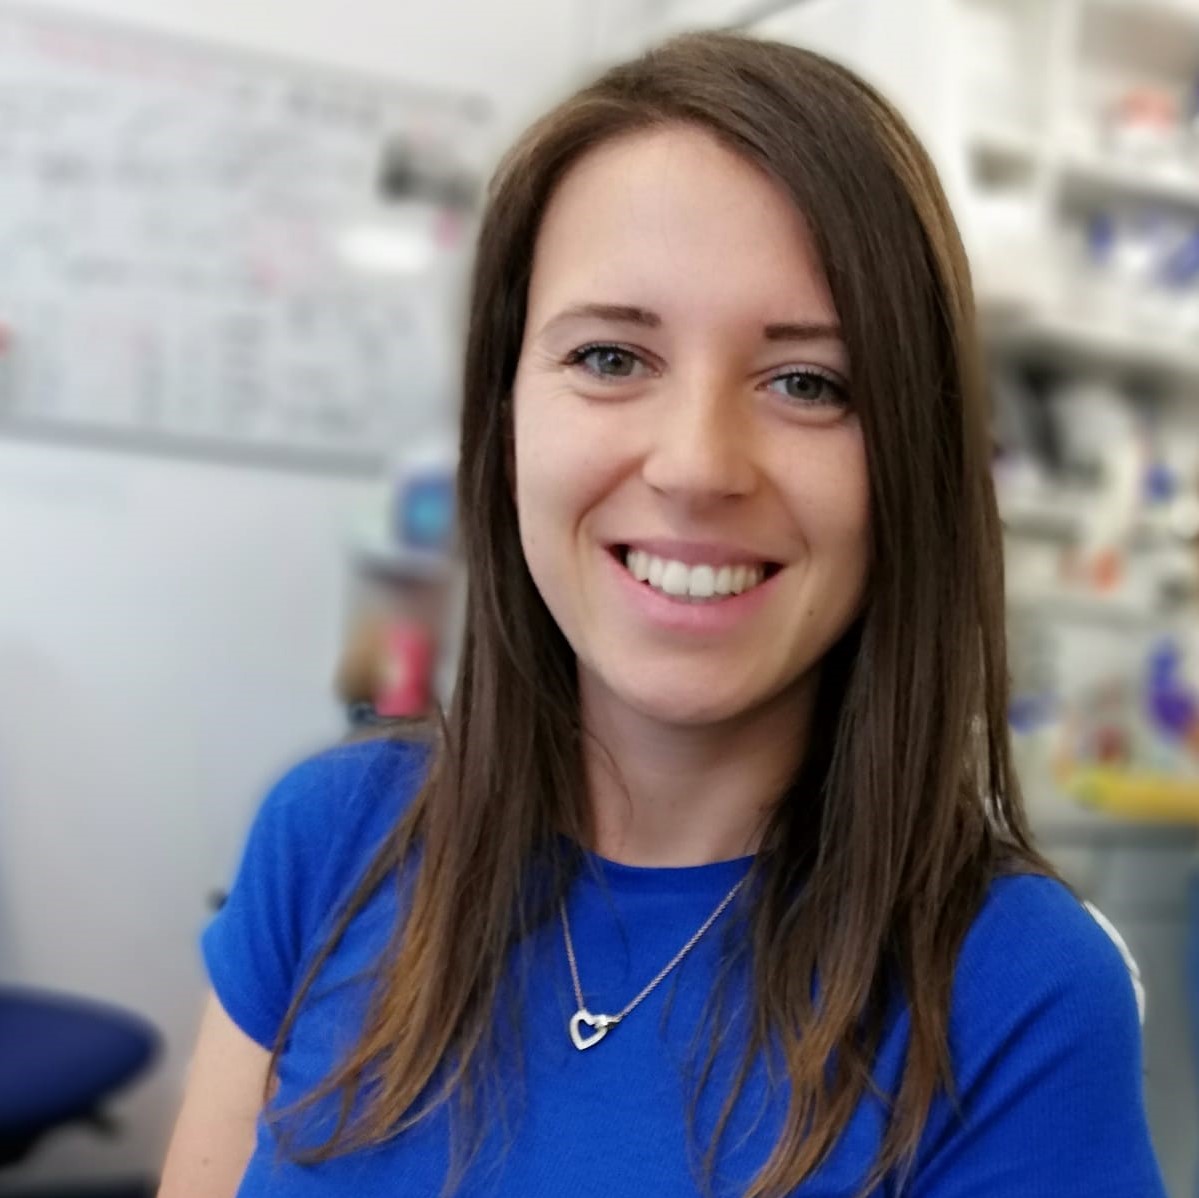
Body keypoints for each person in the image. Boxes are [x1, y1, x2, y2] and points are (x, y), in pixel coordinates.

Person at [158, 32, 1166, 1198]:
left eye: (808, 383)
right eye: (608, 356)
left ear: (912, 462)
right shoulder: (328, 838)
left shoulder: (1017, 993)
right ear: (505, 422)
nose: (695, 466)